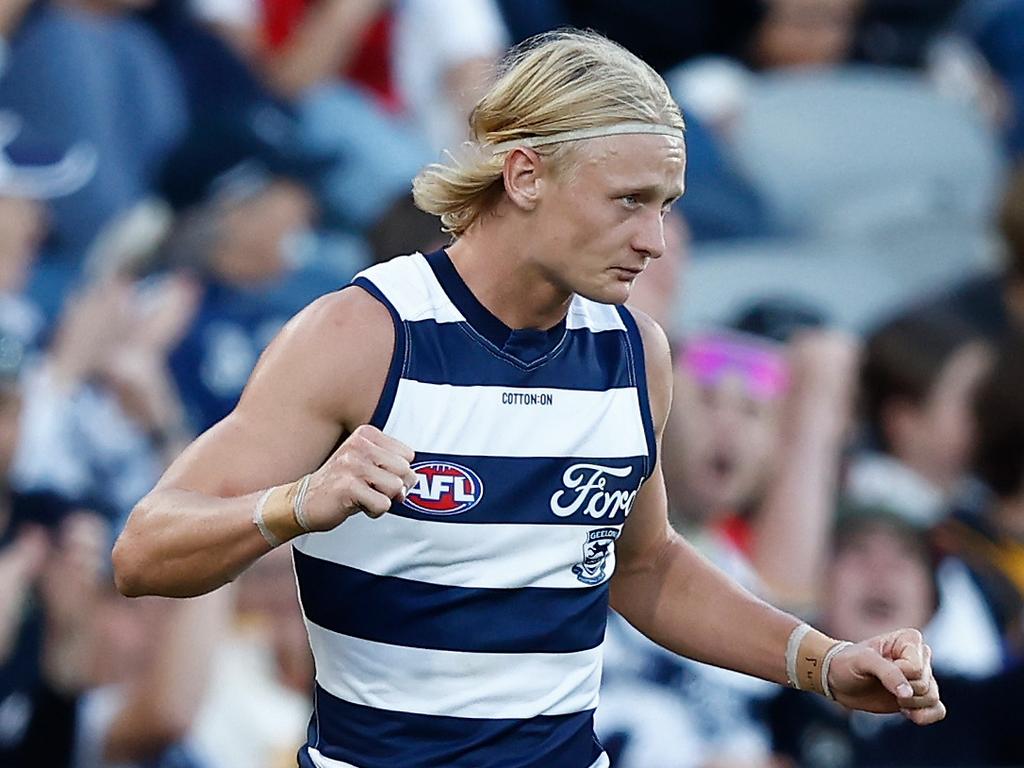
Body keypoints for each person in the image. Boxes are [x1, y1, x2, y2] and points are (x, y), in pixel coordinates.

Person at [113, 30, 945, 768]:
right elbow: (144, 551)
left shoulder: (632, 351)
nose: (654, 241)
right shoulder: (363, 335)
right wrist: (295, 504)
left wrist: (822, 662)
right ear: (524, 174)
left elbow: (644, 566)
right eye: (629, 201)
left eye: (665, 207)